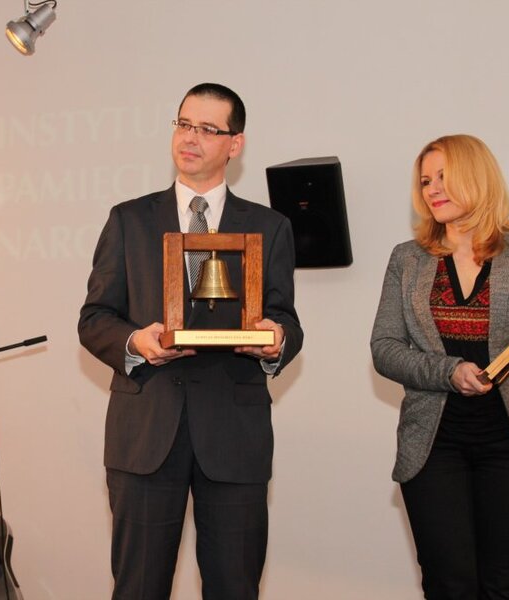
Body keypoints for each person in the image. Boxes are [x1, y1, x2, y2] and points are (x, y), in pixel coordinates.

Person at [78, 83, 303, 600]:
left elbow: (284, 319)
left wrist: (276, 340)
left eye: (207, 128)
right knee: (138, 588)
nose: (190, 137)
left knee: (235, 587)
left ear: (235, 143)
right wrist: (136, 341)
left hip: (234, 435)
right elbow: (94, 319)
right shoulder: (129, 219)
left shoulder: (269, 227)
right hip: (145, 432)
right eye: (183, 124)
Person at [370, 134, 509, 599]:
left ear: (478, 178)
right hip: (433, 446)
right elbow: (384, 348)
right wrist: (449, 371)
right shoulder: (407, 259)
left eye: (444, 176)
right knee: (448, 585)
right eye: (425, 181)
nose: (432, 189)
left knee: (508, 585)